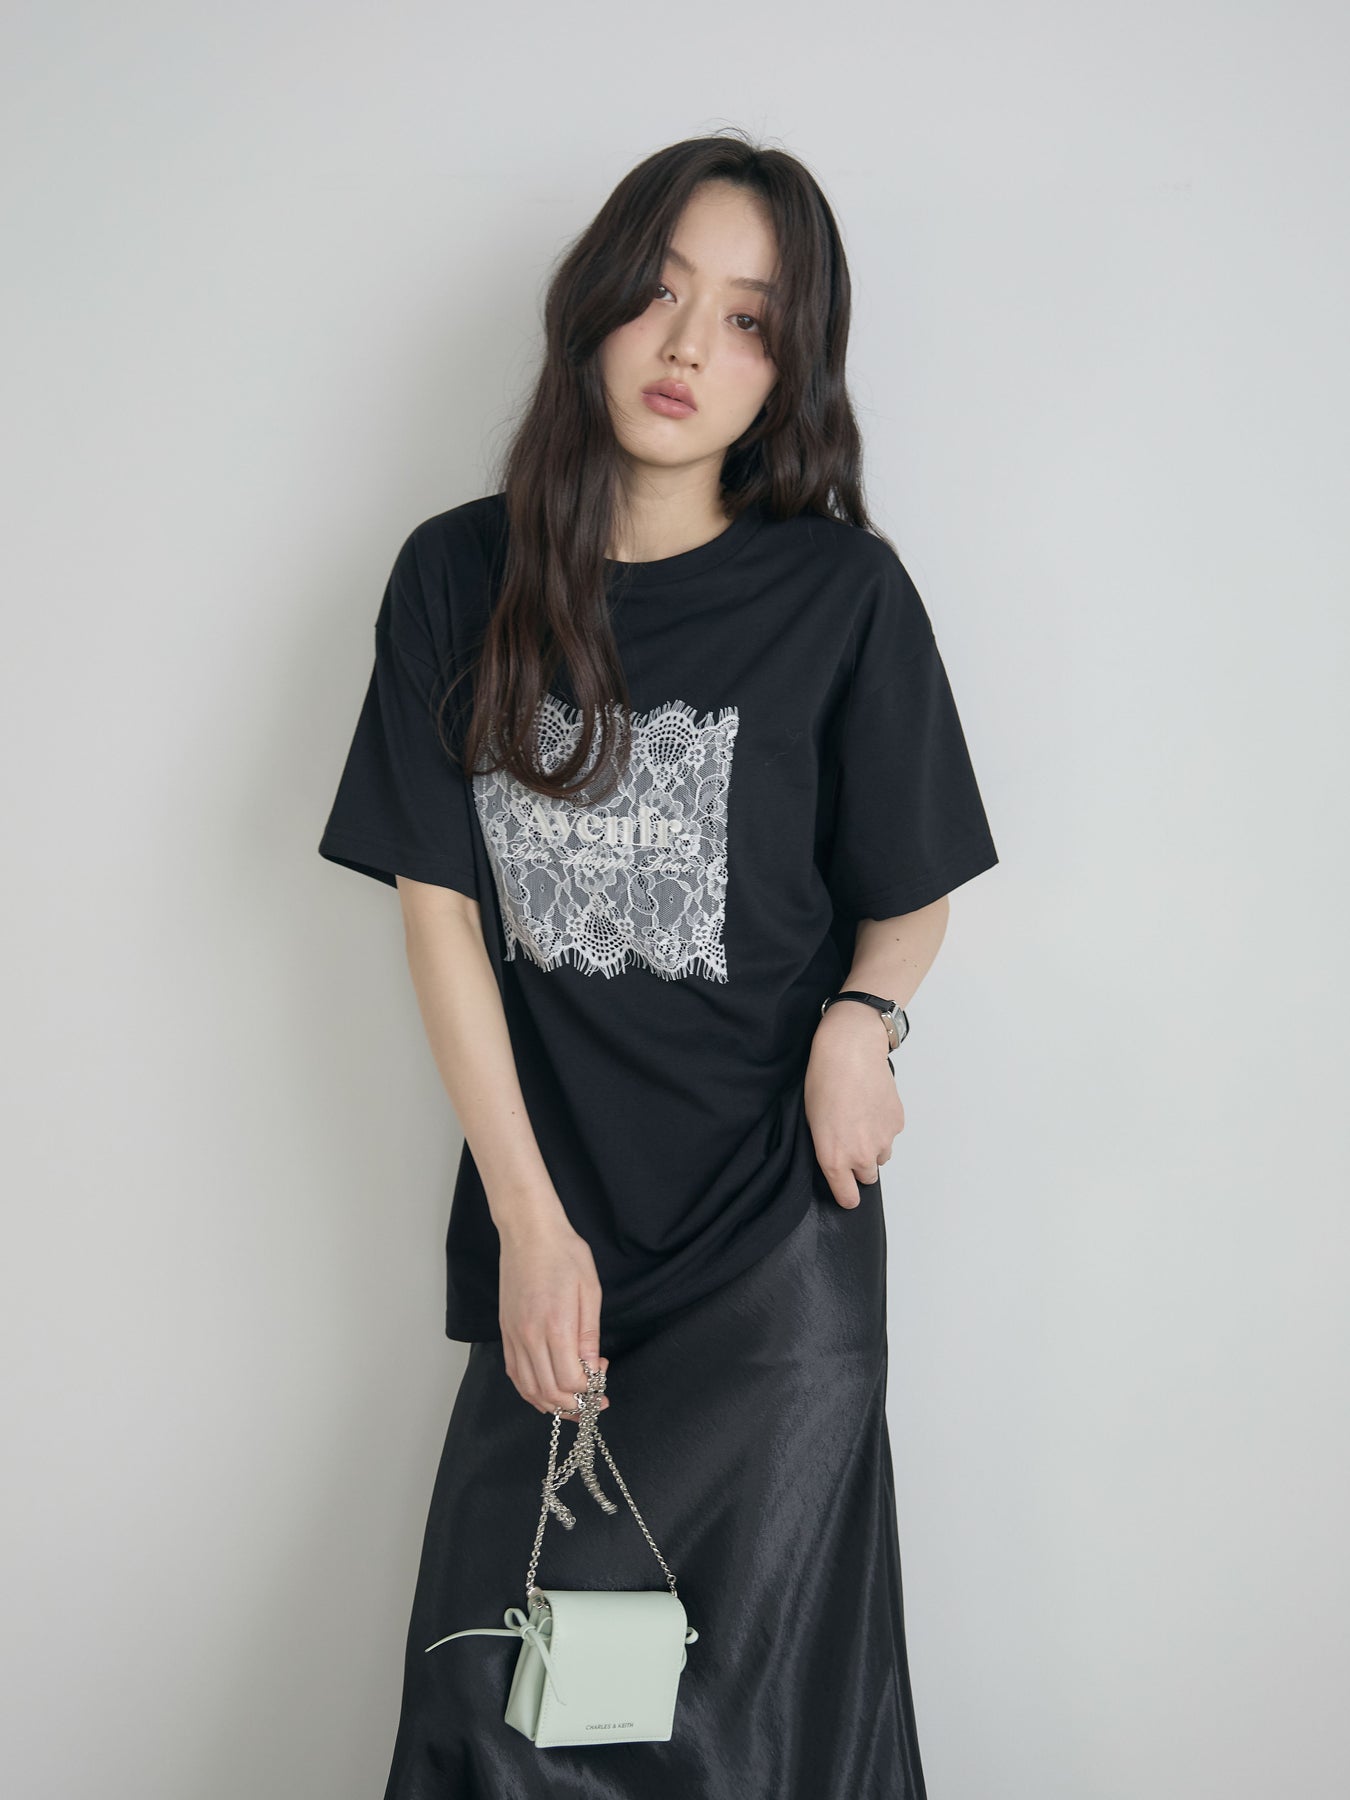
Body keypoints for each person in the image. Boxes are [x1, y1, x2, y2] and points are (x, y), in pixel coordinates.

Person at [318, 130, 999, 1800]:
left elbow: (909, 887)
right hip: (558, 1252)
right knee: (504, 1720)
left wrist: (861, 1022)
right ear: (597, 303)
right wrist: (529, 1223)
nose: (691, 346)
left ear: (788, 369)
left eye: (749, 320)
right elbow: (438, 909)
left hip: (776, 1262)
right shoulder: (456, 576)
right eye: (664, 293)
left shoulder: (840, 595)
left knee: (752, 1736)